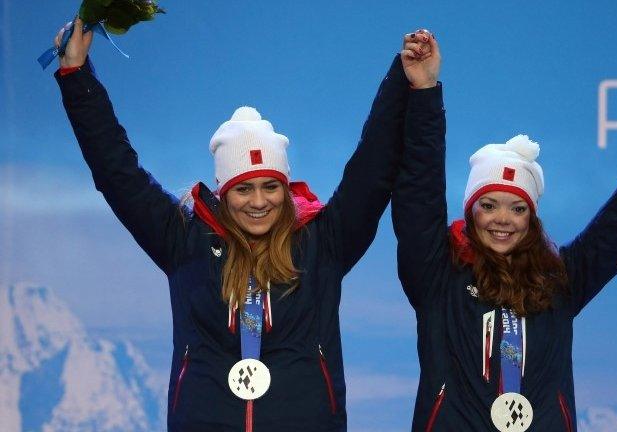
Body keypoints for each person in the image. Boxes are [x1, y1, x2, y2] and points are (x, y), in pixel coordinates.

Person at [52, 18, 437, 431]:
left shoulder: (323, 242)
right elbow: (116, 170)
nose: (258, 202)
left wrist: (404, 80)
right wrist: (76, 75)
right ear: (222, 193)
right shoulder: (183, 240)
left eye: (271, 186)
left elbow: (373, 167)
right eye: (242, 189)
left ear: (286, 188)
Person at [393, 34, 617, 431]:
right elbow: (419, 190)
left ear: (532, 218)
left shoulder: (560, 280)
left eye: (517, 208)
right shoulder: (437, 275)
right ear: (470, 213)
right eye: (488, 206)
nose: (502, 219)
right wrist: (425, 93)